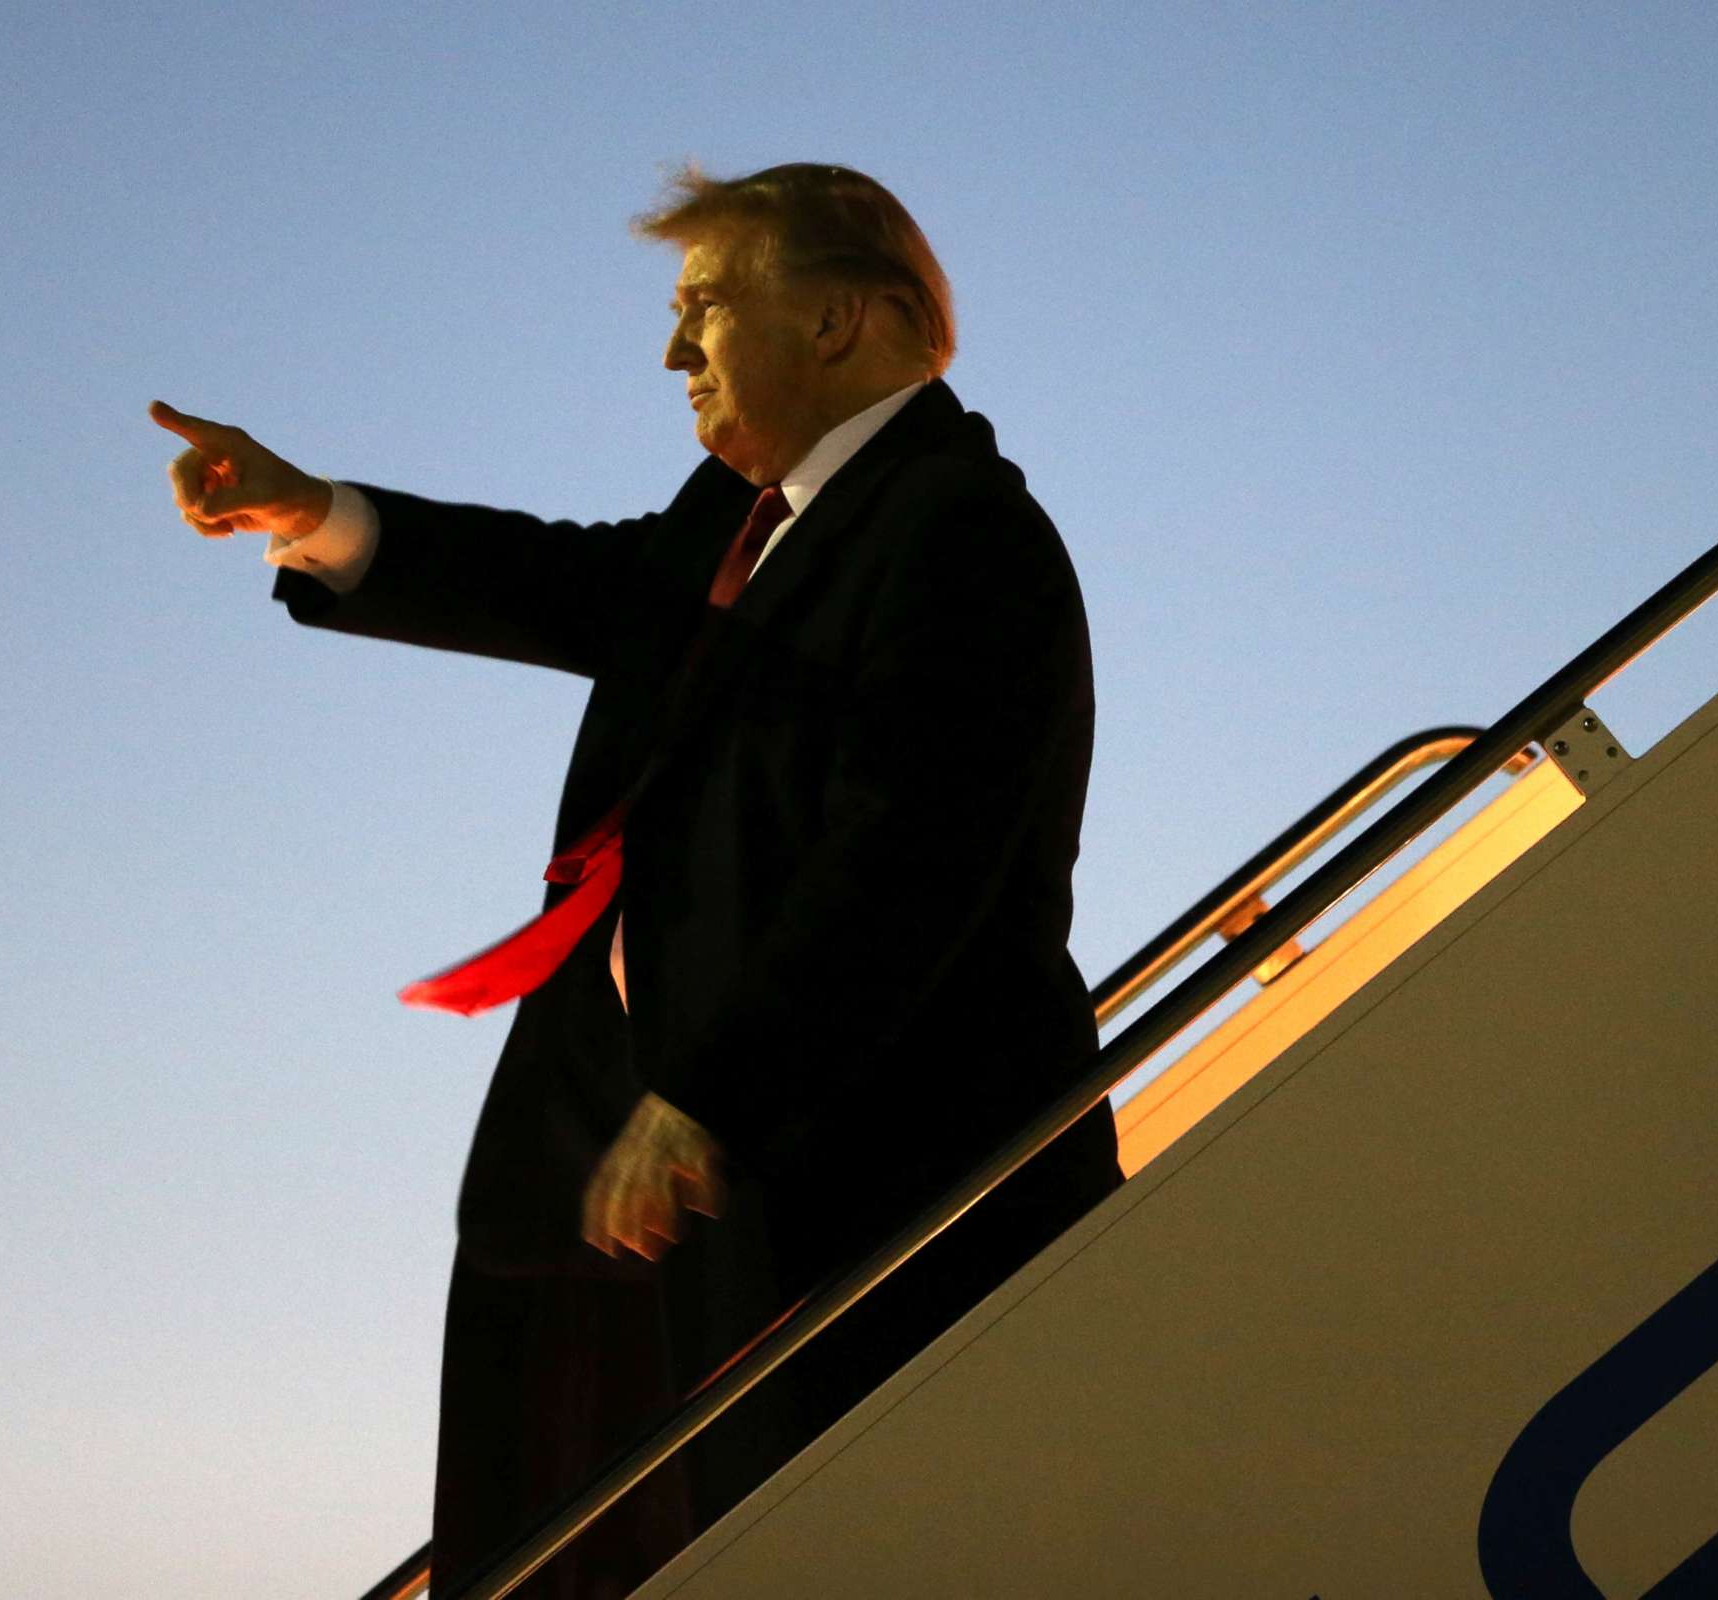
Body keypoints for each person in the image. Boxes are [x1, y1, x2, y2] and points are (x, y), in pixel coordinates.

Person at [151, 162, 1122, 1599]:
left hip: (864, 1188)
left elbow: (914, 852)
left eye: (706, 310)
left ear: (843, 321)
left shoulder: (964, 532)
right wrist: (310, 512)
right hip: (670, 1173)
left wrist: (715, 1089)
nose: (673, 356)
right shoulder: (728, 528)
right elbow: (565, 585)